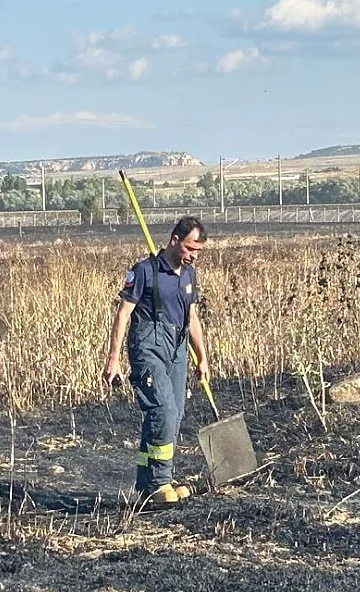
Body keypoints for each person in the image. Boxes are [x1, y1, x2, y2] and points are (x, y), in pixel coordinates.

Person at [102, 216, 211, 507]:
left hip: (177, 350)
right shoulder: (144, 271)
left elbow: (192, 319)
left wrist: (202, 357)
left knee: (172, 415)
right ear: (175, 240)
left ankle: (148, 480)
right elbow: (123, 314)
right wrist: (113, 359)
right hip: (147, 346)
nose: (193, 256)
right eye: (190, 248)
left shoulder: (189, 275)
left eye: (198, 251)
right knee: (162, 409)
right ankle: (160, 483)